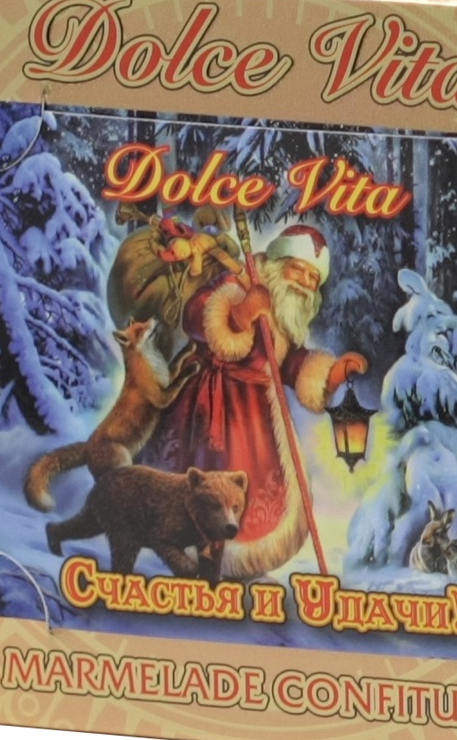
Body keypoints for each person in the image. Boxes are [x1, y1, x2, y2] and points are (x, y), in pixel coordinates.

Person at [143, 223, 366, 579]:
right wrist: (241, 313)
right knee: (202, 484)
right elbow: (195, 316)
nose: (305, 283)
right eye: (299, 270)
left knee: (254, 492)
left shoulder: (283, 312)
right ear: (278, 263)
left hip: (257, 418)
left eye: (313, 278)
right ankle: (190, 552)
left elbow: (288, 362)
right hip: (209, 405)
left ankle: (237, 563)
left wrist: (331, 373)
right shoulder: (241, 280)